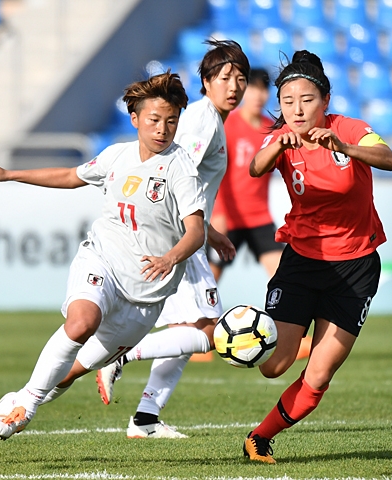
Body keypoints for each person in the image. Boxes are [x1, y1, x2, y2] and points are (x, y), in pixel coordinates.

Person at [0, 72, 209, 445]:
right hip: (103, 261)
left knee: (67, 372)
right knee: (81, 323)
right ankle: (26, 408)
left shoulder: (180, 168)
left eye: (172, 121)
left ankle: (12, 402)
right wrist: (9, 173)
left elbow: (196, 230)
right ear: (135, 119)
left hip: (145, 299)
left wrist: (170, 258)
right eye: (154, 120)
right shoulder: (117, 155)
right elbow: (70, 174)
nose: (163, 129)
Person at [242, 51, 392, 464]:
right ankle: (245, 331)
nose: (296, 108)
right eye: (288, 100)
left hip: (356, 267)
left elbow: (390, 159)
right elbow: (256, 168)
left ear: (324, 101)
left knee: (319, 376)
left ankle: (259, 438)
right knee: (273, 366)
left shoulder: (349, 128)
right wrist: (277, 144)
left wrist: (346, 146)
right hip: (301, 262)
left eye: (306, 99)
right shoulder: (279, 136)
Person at [95, 39, 248, 438]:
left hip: (182, 236)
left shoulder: (208, 118)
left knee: (192, 327)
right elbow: (179, 182)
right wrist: (207, 234)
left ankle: (145, 418)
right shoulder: (202, 121)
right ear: (206, 81)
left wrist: (211, 233)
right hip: (180, 239)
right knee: (209, 332)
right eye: (225, 77)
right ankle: (121, 354)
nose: (234, 86)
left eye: (241, 79)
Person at [208, 67, 312, 361]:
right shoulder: (227, 128)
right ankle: (196, 334)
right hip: (227, 218)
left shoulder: (272, 130)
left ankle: (292, 337)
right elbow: (217, 176)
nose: (258, 95)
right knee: (207, 280)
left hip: (259, 219)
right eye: (252, 88)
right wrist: (218, 214)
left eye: (263, 89)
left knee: (283, 276)